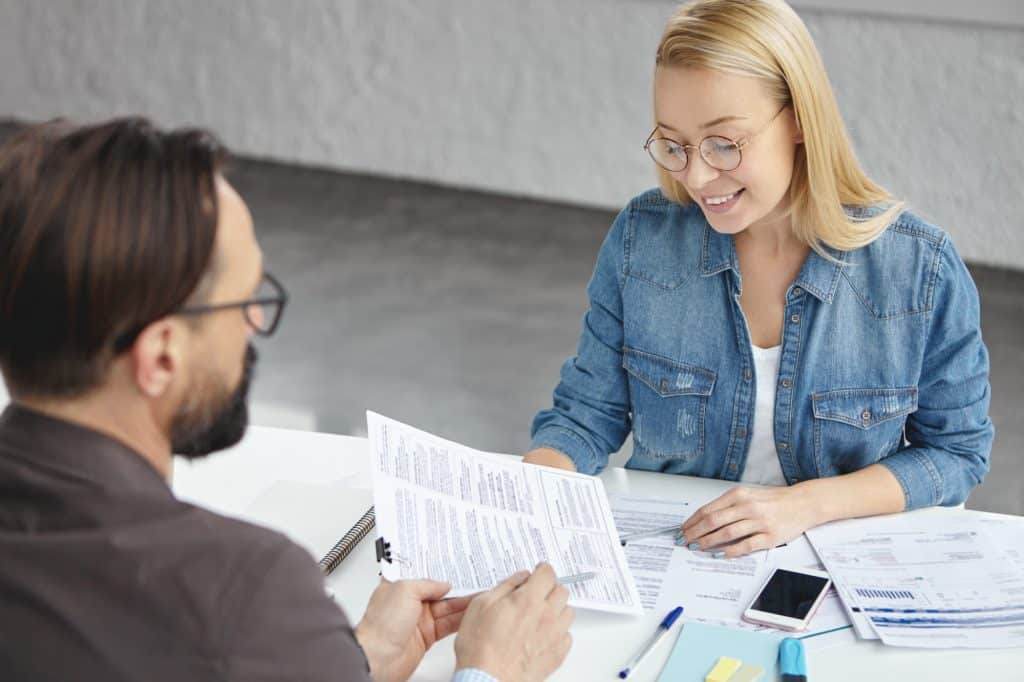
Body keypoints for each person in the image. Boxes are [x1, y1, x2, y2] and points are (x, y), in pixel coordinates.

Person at [0, 118, 573, 682]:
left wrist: (350, 662)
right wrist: (493, 672)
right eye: (244, 299)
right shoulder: (239, 595)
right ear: (162, 356)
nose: (253, 322)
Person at [524, 0, 993, 557]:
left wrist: (806, 505)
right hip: (676, 555)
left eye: (725, 143)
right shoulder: (642, 240)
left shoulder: (920, 269)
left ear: (797, 118)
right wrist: (528, 493)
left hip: (830, 559)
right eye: (674, 145)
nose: (696, 175)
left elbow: (956, 454)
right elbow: (585, 416)